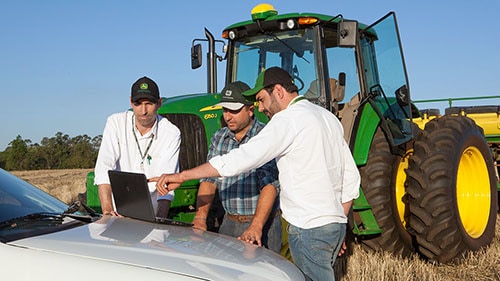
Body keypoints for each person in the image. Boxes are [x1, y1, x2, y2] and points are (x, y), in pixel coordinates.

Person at [152, 67, 360, 281]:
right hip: (332, 226)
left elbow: (240, 159)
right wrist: (339, 221)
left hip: (308, 228)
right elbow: (351, 179)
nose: (261, 107)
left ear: (278, 91)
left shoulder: (287, 120)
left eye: (261, 99)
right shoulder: (326, 117)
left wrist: (182, 176)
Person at [193, 81, 281, 253]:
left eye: (234, 110)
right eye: (225, 110)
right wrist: (200, 217)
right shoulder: (219, 137)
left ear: (250, 109)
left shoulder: (265, 136)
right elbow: (210, 179)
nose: (227, 116)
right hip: (229, 222)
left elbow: (270, 185)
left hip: (263, 224)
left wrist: (256, 226)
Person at [94, 76, 180, 218]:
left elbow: (167, 183)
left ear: (159, 103)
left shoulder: (171, 133)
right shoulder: (116, 123)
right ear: (130, 102)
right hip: (118, 213)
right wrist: (107, 211)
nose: (143, 111)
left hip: (152, 212)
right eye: (138, 104)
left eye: (149, 103)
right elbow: (104, 167)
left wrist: (160, 221)